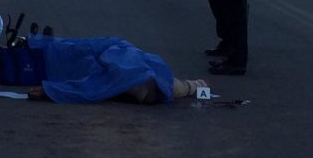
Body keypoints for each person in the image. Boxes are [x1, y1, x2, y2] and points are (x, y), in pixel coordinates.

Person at [21, 34, 207, 104]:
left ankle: (197, 85)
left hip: (139, 72)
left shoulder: (126, 69)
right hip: (141, 72)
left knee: (119, 73)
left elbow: (91, 88)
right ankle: (197, 86)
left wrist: (51, 91)